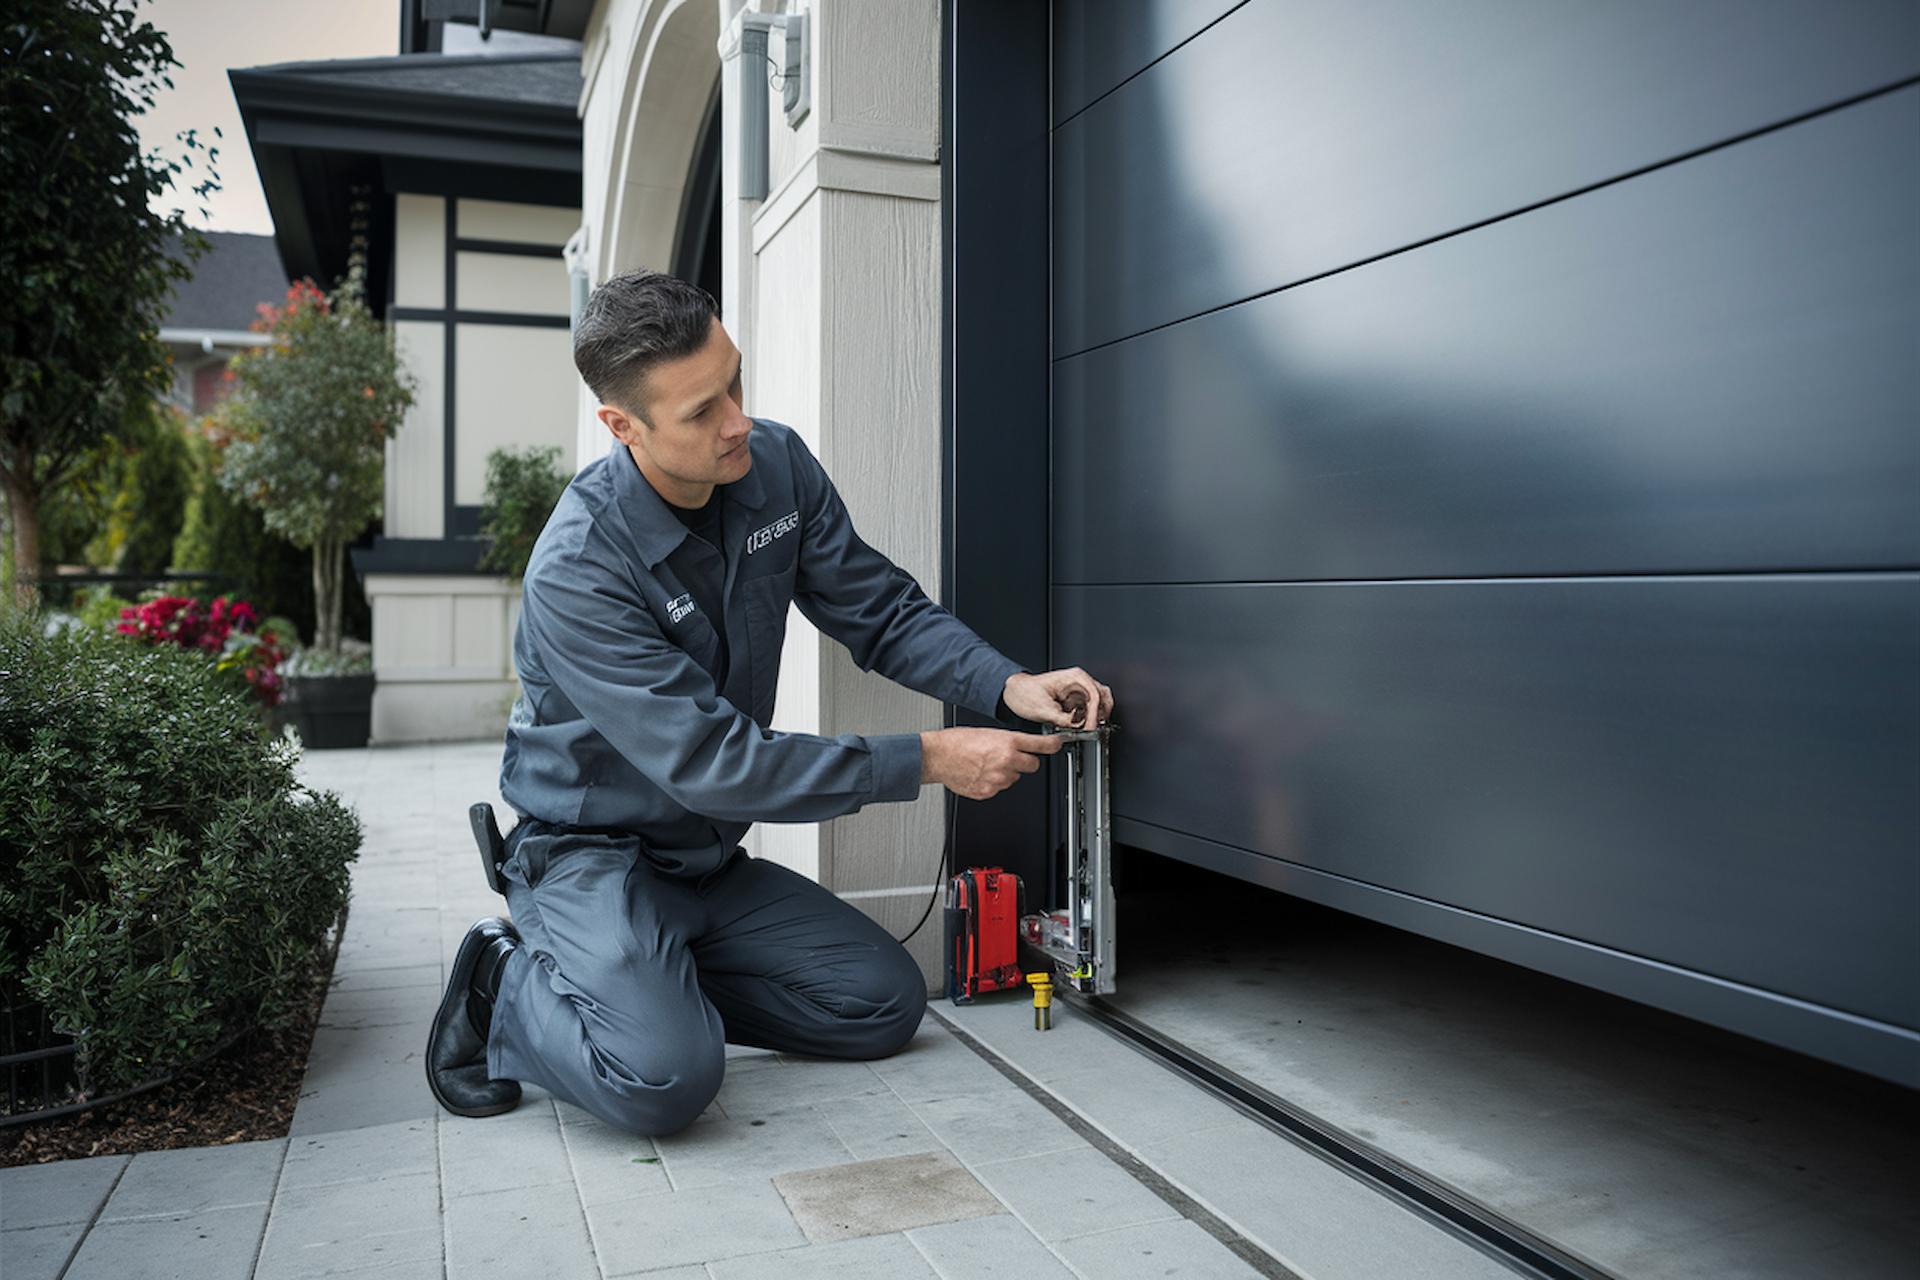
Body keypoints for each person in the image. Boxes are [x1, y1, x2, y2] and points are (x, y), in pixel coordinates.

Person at [425, 270, 1114, 1134]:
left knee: (882, 1006)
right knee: (664, 1083)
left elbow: (882, 610)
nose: (737, 421)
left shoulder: (774, 467)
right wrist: (932, 759)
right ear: (622, 426)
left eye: (735, 382)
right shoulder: (580, 571)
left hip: (704, 864)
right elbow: (717, 763)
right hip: (588, 858)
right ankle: (507, 982)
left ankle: (644, 992)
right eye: (701, 410)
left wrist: (1008, 683)